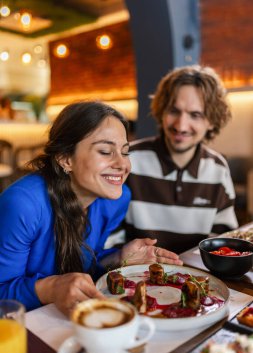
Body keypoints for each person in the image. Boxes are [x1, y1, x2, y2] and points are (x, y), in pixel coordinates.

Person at [0, 101, 182, 316]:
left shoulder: (116, 200)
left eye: (125, 152)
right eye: (105, 151)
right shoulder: (23, 205)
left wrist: (118, 258)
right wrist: (50, 288)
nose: (122, 164)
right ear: (65, 159)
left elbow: (83, 264)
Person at [122, 65, 238, 253]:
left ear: (211, 121)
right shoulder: (129, 160)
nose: (181, 125)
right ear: (162, 111)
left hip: (197, 278)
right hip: (134, 275)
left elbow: (222, 243)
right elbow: (110, 239)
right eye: (174, 111)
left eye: (195, 115)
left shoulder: (218, 170)